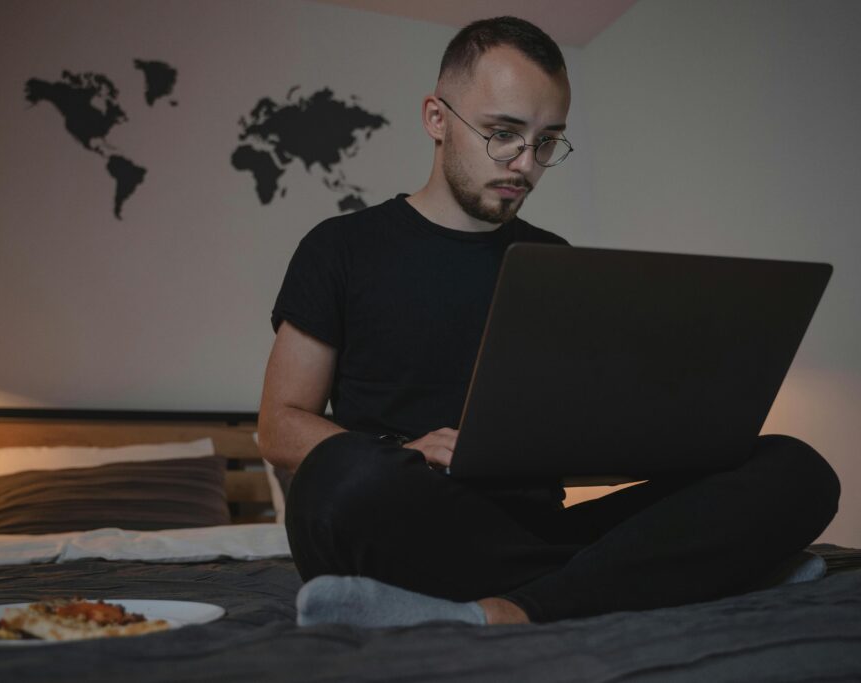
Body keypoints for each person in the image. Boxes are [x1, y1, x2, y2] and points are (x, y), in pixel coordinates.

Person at [257, 16, 839, 627]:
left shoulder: (553, 262)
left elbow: (587, 430)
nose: (524, 165)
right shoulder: (340, 247)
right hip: (410, 519)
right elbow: (278, 427)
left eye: (545, 142)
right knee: (337, 482)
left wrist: (669, 442)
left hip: (538, 530)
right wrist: (400, 451)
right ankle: (666, 575)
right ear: (436, 118)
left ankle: (521, 607)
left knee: (796, 470)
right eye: (502, 134)